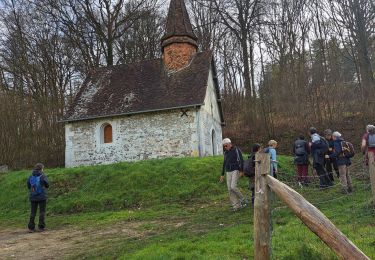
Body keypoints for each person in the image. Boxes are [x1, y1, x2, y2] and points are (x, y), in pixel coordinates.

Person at [220, 138, 246, 211]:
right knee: (229, 189)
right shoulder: (226, 153)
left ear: (230, 144)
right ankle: (236, 206)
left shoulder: (236, 150)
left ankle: (242, 198)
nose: (225, 147)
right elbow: (224, 163)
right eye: (224, 146)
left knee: (233, 186)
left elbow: (241, 160)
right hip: (228, 171)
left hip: (235, 170)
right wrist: (222, 174)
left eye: (226, 146)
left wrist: (242, 170)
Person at [27, 163, 49, 232]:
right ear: (41, 169)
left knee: (33, 212)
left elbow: (28, 186)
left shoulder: (31, 176)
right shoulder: (43, 176)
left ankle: (31, 227)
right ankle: (41, 227)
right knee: (42, 211)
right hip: (42, 196)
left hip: (33, 196)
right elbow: (47, 185)